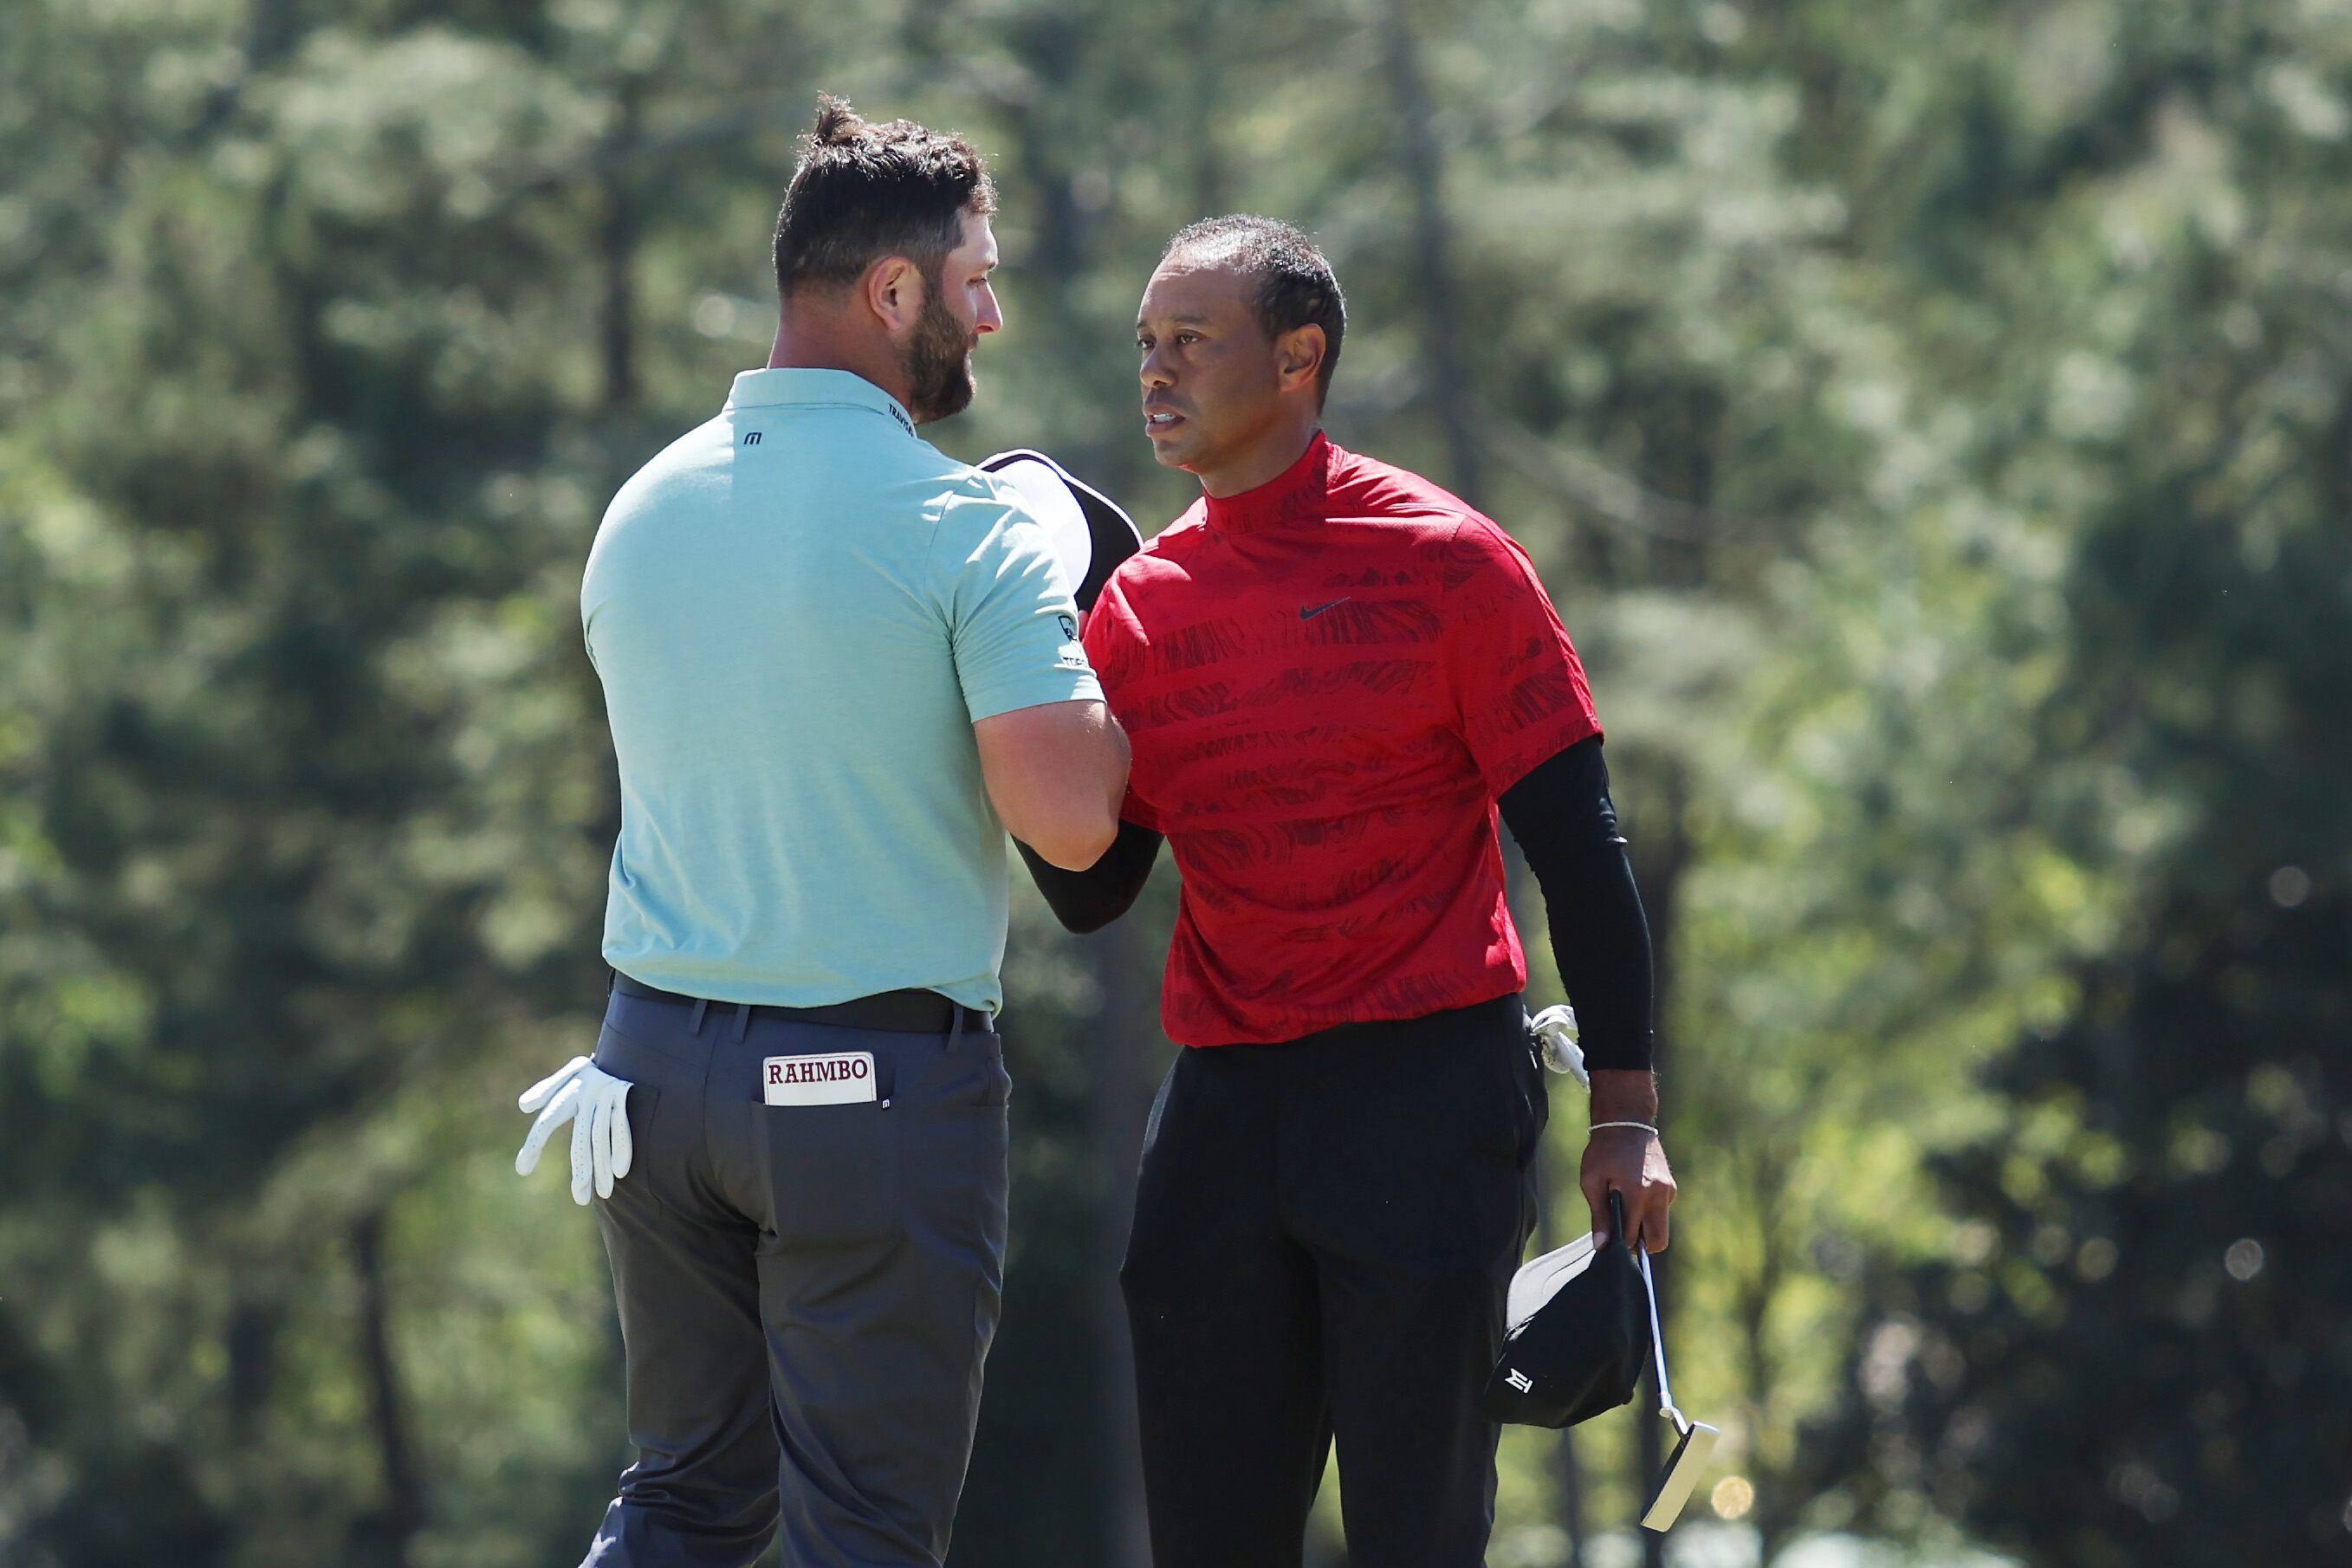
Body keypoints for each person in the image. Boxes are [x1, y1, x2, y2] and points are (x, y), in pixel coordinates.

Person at [511, 98, 1129, 1568]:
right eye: (975, 278)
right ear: (892, 291)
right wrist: (1059, 577)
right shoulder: (967, 527)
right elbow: (1074, 820)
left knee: (680, 1493)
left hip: (649, 1078)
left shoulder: (641, 506)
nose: (993, 313)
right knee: (863, 1529)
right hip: (863, 1094)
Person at [1020, 215, 1677, 1568]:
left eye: (1192, 342)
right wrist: (1015, 666)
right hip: (1225, 1105)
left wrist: (1626, 1114)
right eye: (1146, 345)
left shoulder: (1448, 561)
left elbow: (1580, 844)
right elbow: (1092, 890)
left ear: (1300, 355)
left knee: (1415, 1536)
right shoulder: (1135, 608)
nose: (1156, 372)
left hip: (1423, 1092)